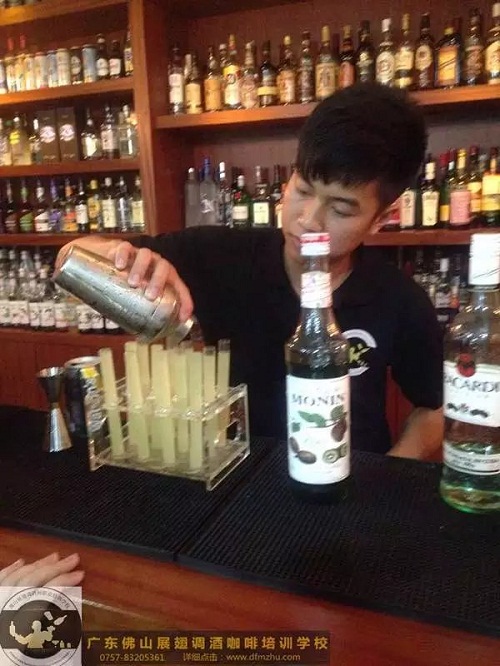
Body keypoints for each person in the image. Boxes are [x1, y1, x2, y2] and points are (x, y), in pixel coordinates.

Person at [58, 82, 443, 460]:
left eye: (340, 209)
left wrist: (385, 477)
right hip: (233, 476)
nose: (309, 220)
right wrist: (117, 256)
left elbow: (435, 408)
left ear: (382, 218)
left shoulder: (399, 298)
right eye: (303, 190)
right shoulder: (220, 254)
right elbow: (67, 258)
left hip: (346, 481)